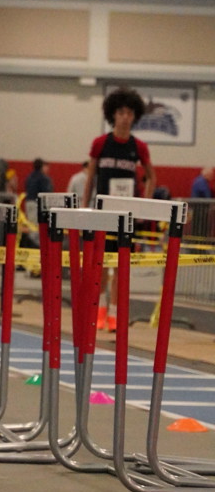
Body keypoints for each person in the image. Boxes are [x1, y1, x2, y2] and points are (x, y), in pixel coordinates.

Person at [82, 86, 155, 329]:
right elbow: (90, 179)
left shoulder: (139, 147)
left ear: (135, 116)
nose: (125, 117)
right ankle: (100, 311)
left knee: (121, 267)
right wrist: (84, 207)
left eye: (129, 113)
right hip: (102, 214)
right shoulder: (100, 143)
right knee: (101, 264)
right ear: (113, 114)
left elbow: (151, 177)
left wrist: (144, 206)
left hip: (126, 216)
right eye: (121, 112)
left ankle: (114, 313)